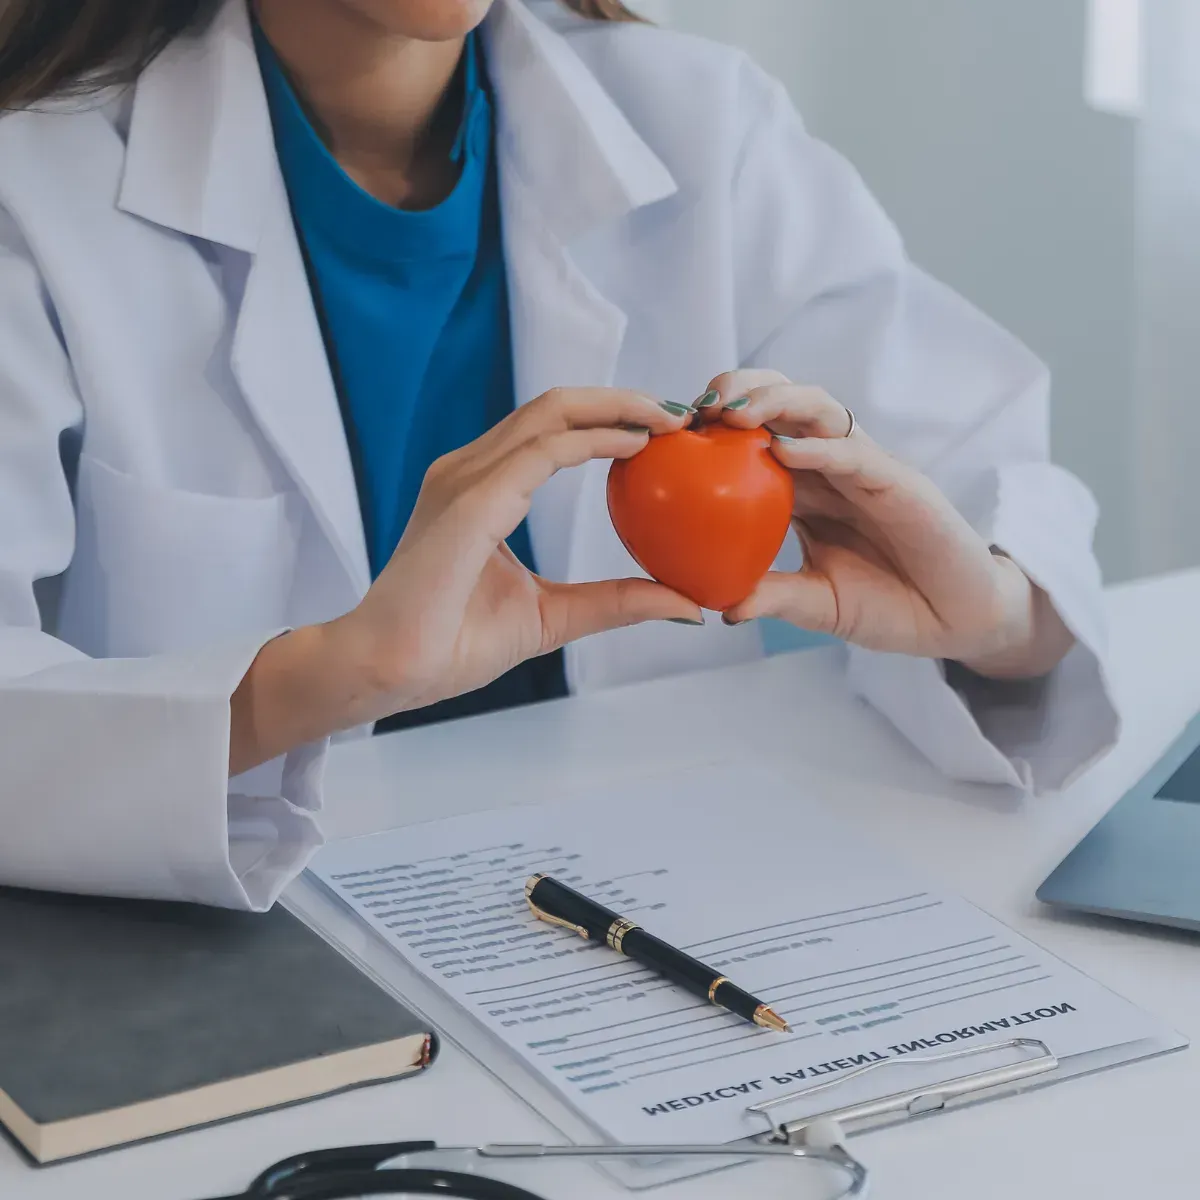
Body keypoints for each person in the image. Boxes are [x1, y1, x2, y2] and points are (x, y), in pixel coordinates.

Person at [0, 0, 1115, 911]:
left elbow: (984, 481)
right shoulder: (32, 185)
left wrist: (998, 620)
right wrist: (322, 680)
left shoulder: (698, 125)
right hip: (231, 942)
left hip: (654, 905)